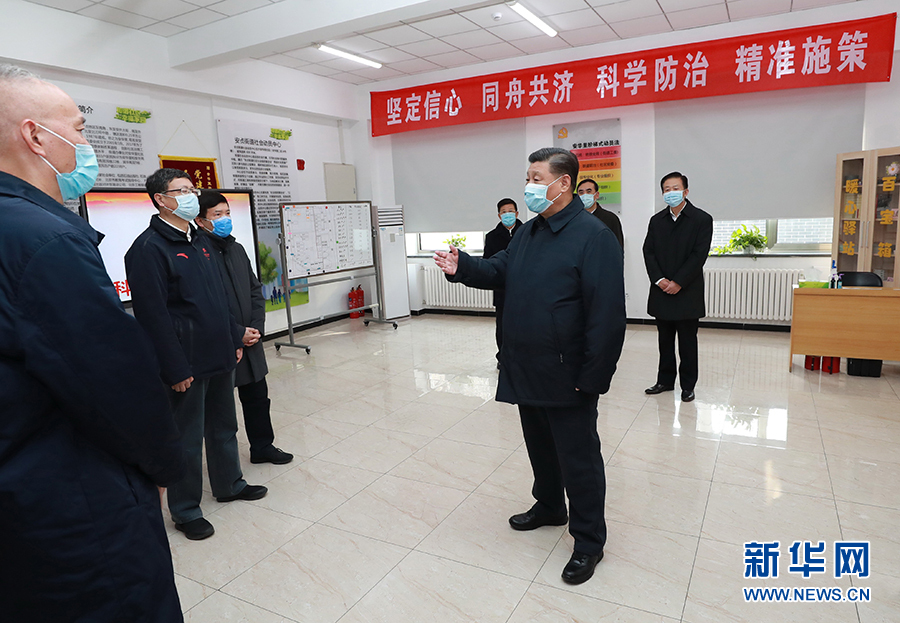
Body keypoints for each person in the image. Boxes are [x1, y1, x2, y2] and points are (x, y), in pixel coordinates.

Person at [0, 64, 186, 622]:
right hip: (71, 498)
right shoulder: (43, 238)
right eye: (78, 129)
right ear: (35, 136)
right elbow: (112, 381)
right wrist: (160, 465)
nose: (85, 145)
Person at [434, 147, 626, 585]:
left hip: (567, 372)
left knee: (578, 458)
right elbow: (501, 270)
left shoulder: (593, 236)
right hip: (527, 364)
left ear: (564, 183)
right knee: (540, 445)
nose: (529, 187)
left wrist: (593, 377)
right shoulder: (528, 232)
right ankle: (550, 506)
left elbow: (607, 316)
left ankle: (588, 541)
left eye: (537, 179)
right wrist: (463, 266)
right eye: (528, 178)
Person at [125, 168, 268, 541]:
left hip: (219, 352)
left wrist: (233, 339)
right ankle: (186, 510)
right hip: (186, 361)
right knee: (187, 438)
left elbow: (219, 300)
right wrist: (174, 367)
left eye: (192, 189)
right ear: (161, 200)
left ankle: (230, 484)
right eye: (181, 191)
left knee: (223, 425)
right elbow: (153, 317)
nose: (191, 196)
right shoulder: (148, 249)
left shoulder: (199, 240)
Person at [196, 191, 293, 465]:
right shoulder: (198, 252)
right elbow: (206, 302)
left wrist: (255, 329)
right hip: (222, 340)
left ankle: (262, 447)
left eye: (227, 213)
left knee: (258, 397)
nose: (225, 219)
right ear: (200, 220)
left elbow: (254, 290)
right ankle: (225, 466)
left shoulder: (236, 248)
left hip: (250, 339)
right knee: (220, 408)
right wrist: (237, 332)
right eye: (217, 215)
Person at [642, 171, 713, 403]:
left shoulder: (701, 219)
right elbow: (648, 251)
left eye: (675, 188)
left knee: (687, 343)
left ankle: (688, 385)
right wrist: (659, 279)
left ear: (686, 191)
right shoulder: (656, 221)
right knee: (664, 341)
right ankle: (664, 381)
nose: (670, 193)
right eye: (666, 189)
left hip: (687, 291)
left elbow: (698, 255)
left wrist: (678, 282)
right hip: (661, 290)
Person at [482, 197, 523, 367]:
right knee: (503, 326)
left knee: (525, 325)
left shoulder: (527, 232)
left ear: (517, 213)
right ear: (499, 216)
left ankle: (523, 357)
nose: (508, 215)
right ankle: (503, 357)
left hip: (525, 287)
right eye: (504, 212)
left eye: (511, 211)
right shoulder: (492, 237)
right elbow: (488, 262)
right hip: (502, 289)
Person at [576, 178, 624, 251]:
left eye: (589, 191)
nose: (585, 195)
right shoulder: (574, 219)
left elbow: (617, 247)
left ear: (597, 195)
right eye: (581, 192)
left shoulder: (611, 218)